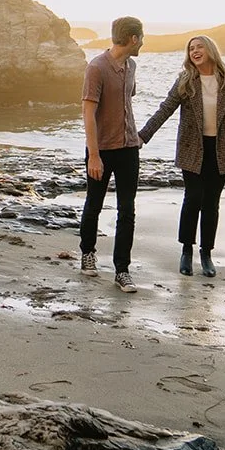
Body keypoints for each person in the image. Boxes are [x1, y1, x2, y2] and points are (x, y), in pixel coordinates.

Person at [139, 35, 225, 278]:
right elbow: (165, 109)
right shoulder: (186, 81)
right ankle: (186, 250)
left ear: (210, 49)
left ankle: (206, 253)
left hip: (222, 148)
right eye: (191, 49)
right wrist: (142, 136)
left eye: (199, 47)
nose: (194, 51)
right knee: (193, 197)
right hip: (192, 147)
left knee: (211, 202)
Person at [78, 16, 144, 292]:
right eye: (142, 37)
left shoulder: (132, 66)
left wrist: (137, 137)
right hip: (102, 150)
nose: (143, 42)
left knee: (127, 210)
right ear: (133, 39)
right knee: (94, 204)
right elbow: (88, 113)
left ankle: (122, 270)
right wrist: (94, 155)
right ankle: (88, 253)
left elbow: (127, 102)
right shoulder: (97, 67)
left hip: (129, 148)